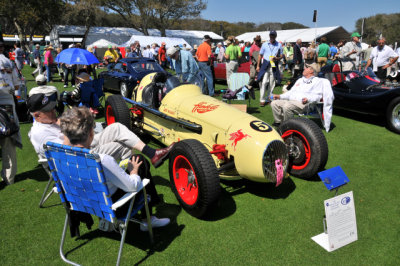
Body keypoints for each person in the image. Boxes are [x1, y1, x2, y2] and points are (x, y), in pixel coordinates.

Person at [59, 106, 170, 231]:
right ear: (91, 133)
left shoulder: (60, 158)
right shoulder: (102, 160)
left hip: (86, 204)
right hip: (113, 206)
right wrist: (133, 172)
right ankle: (147, 219)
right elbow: (132, 186)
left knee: (130, 157)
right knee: (140, 161)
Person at [27, 87, 175, 167]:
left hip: (82, 145)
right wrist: (68, 125)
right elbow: (69, 151)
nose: (53, 111)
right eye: (48, 110)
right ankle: (129, 177)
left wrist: (70, 120)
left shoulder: (47, 122)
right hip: (79, 158)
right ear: (37, 115)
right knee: (122, 146)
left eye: (52, 108)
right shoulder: (41, 134)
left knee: (116, 127)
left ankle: (151, 154)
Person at [271, 66, 334, 131]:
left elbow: (317, 96)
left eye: (306, 68)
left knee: (286, 106)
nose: (304, 69)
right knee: (274, 103)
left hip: (304, 104)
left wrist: (308, 99)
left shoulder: (317, 81)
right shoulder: (300, 80)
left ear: (311, 71)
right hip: (292, 101)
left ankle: (289, 126)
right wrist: (280, 96)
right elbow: (290, 93)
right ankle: (279, 122)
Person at [0, 42, 22, 185]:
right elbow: (16, 85)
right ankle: (9, 177)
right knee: (8, 138)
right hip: (7, 101)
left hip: (5, 99)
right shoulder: (8, 62)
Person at [256, 30, 283, 107]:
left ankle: (269, 99)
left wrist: (277, 58)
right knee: (264, 82)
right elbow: (260, 55)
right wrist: (258, 66)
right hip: (265, 65)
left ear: (275, 36)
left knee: (272, 83)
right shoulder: (264, 44)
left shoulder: (279, 45)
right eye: (271, 35)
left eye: (273, 35)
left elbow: (281, 55)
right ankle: (262, 99)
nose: (272, 37)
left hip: (274, 65)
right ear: (269, 36)